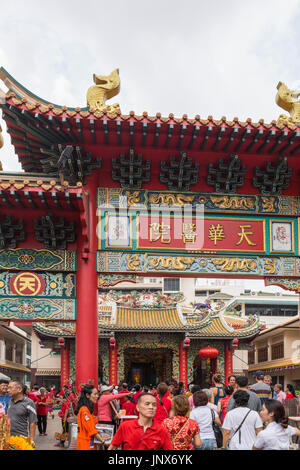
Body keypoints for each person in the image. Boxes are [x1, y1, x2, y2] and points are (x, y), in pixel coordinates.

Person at [108, 392, 174, 450]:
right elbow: (112, 447)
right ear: (138, 407)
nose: (151, 407)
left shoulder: (162, 431)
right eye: (147, 404)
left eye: (154, 405)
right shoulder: (125, 426)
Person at [7, 380, 37, 447]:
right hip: (10, 438)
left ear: (19, 389)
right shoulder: (10, 401)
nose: (8, 390)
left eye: (10, 388)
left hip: (23, 438)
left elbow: (33, 422)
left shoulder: (29, 403)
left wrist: (31, 440)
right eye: (8, 388)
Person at [75, 384, 104, 450]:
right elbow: (92, 431)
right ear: (87, 395)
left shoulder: (86, 409)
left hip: (88, 443)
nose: (97, 396)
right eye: (95, 394)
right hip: (86, 445)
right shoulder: (84, 411)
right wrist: (104, 441)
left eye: (97, 394)